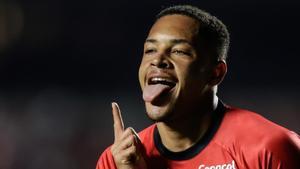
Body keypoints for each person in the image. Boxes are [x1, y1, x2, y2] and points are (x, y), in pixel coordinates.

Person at [96, 5, 300, 169]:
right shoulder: (117, 161)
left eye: (179, 51)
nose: (157, 60)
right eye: (150, 50)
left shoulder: (269, 148)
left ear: (215, 73)